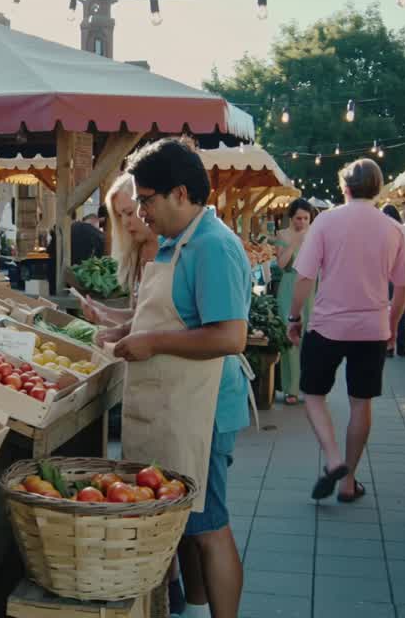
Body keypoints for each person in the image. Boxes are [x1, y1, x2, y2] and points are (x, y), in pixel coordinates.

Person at [104, 138, 250, 618]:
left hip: (203, 411)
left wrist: (153, 344)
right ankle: (191, 607)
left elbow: (230, 336)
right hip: (174, 403)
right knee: (184, 522)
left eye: (146, 199)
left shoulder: (214, 247)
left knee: (209, 528)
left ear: (180, 194)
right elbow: (170, 317)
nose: (140, 213)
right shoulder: (173, 242)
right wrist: (122, 331)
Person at [288, 159, 405, 503]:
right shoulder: (393, 229)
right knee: (361, 404)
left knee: (312, 394)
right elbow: (402, 288)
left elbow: (304, 277)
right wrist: (392, 324)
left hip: (327, 325)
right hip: (372, 327)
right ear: (378, 187)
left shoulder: (325, 222)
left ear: (344, 188)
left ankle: (333, 458)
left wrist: (294, 317)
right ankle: (348, 482)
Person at [79, 173, 159, 326]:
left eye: (129, 213)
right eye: (119, 215)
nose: (124, 222)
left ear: (146, 207)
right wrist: (103, 313)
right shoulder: (138, 252)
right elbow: (139, 318)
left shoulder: (175, 251)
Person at [274, 198, 315, 405]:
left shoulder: (315, 236)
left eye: (306, 218)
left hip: (310, 286)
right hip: (289, 285)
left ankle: (308, 386)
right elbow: (281, 265)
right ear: (291, 218)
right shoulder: (282, 235)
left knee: (310, 336)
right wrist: (295, 242)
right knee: (290, 336)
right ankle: (291, 388)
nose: (302, 222)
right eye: (298, 218)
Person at [383, 205, 405, 358]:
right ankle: (400, 346)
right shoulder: (403, 232)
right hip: (402, 275)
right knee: (400, 312)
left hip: (385, 277)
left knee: (387, 310)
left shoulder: (381, 232)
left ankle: (388, 347)